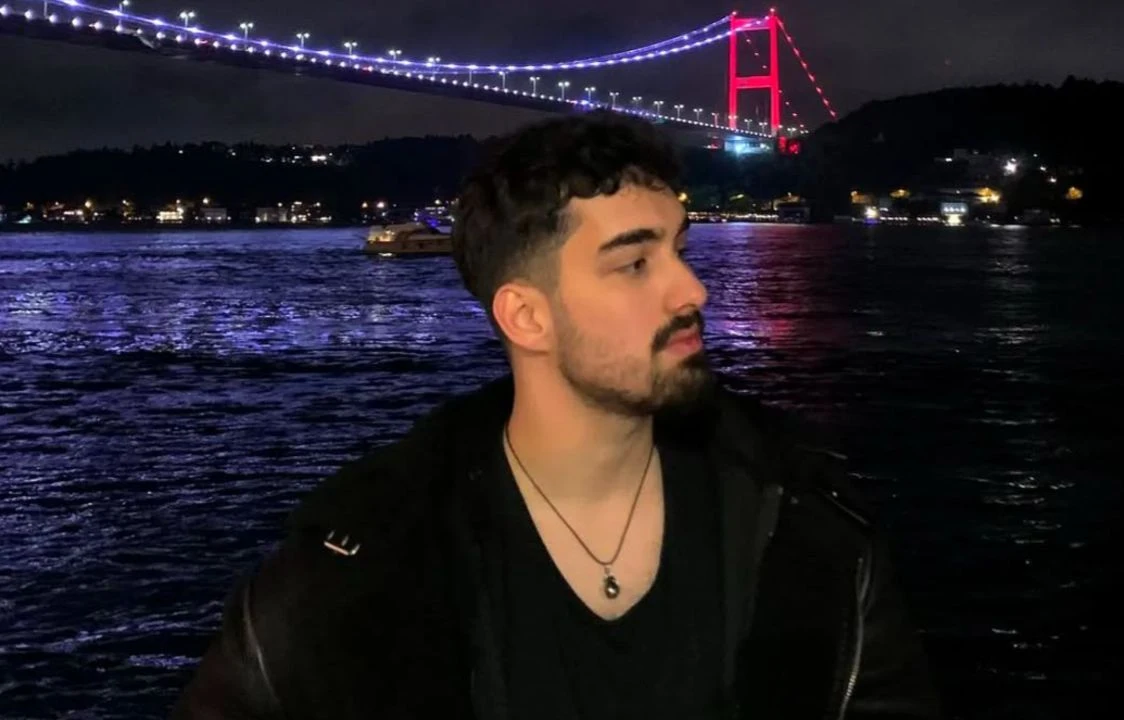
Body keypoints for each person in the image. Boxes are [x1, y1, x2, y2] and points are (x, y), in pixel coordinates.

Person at [170, 111, 940, 720]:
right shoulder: (350, 569)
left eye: (680, 250)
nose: (693, 291)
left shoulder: (811, 520)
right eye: (635, 263)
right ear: (527, 317)